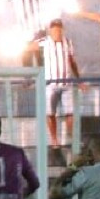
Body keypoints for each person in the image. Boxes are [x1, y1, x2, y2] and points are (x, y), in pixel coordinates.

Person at [40, 20, 81, 149]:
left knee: (70, 112)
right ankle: (54, 140)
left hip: (66, 83)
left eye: (59, 30)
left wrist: (79, 79)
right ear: (50, 31)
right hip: (50, 83)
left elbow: (72, 61)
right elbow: (29, 48)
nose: (57, 33)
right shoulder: (44, 42)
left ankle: (72, 138)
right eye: (55, 31)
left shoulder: (68, 42)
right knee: (50, 113)